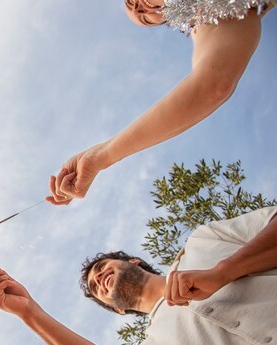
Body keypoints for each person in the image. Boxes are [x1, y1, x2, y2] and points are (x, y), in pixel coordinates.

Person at [0, 206, 277, 345]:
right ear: (118, 310)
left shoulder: (204, 240)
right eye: (96, 289)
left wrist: (224, 271)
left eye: (100, 268)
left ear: (133, 262)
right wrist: (31, 313)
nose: (97, 278)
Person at [47, 0, 275, 206]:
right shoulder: (209, 19)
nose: (139, 8)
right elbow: (212, 85)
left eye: (132, 2)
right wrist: (100, 156)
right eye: (144, 18)